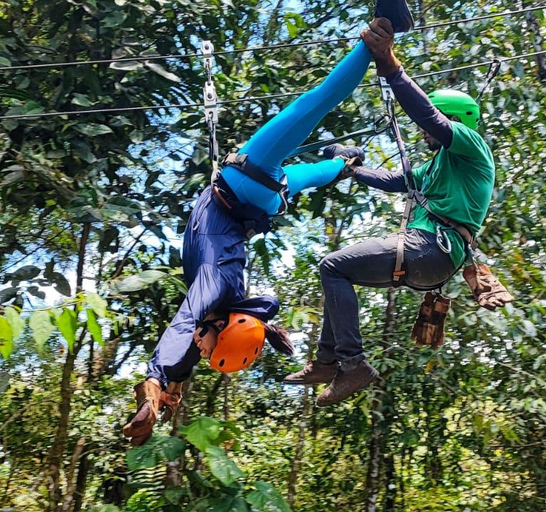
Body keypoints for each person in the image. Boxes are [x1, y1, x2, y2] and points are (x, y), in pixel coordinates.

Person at [123, 4, 416, 445]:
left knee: (316, 172)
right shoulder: (214, 291)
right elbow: (185, 328)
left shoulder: (230, 301)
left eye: (205, 355)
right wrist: (153, 385)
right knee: (313, 104)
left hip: (265, 201)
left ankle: (344, 163)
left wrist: (170, 387)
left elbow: (190, 340)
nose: (202, 352)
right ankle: (384, 29)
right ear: (222, 329)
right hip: (245, 181)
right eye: (210, 349)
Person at [283, 18, 513, 406]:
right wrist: (350, 168)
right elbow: (394, 180)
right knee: (339, 275)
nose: (425, 135)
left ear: (456, 120)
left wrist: (389, 65)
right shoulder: (437, 166)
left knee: (332, 266)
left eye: (436, 125)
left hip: (432, 247)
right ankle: (327, 362)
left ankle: (352, 365)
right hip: (432, 257)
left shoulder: (471, 146)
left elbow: (429, 118)